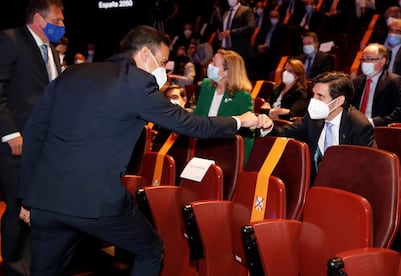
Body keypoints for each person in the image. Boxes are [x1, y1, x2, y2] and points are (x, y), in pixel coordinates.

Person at [17, 25, 258, 275]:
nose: (164, 70)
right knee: (151, 250)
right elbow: (190, 124)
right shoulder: (137, 83)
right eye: (163, 61)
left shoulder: (72, 74)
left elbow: (35, 133)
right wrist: (240, 121)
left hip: (46, 200)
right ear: (145, 54)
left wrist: (26, 197)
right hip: (95, 202)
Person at [0, 0, 64, 274]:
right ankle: (13, 264)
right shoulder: (10, 39)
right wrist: (10, 132)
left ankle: (32, 262)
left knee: (36, 206)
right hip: (16, 144)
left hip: (44, 145)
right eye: (58, 20)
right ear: (40, 19)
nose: (62, 26)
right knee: (17, 206)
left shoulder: (52, 51)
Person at [257, 71, 376, 181]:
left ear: (339, 101)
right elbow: (284, 133)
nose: (313, 100)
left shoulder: (359, 125)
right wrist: (268, 127)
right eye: (313, 95)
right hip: (313, 183)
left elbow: (364, 171)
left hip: (345, 185)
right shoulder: (314, 117)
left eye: (320, 96)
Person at [193, 49, 254, 166]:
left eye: (214, 64)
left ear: (226, 71)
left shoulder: (242, 96)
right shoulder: (206, 86)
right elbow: (197, 115)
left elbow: (247, 135)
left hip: (226, 155)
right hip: (201, 148)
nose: (209, 66)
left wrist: (242, 165)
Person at [352, 43, 401, 126]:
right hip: (356, 127)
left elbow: (400, 112)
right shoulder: (357, 81)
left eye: (369, 59)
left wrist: (372, 122)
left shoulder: (393, 82)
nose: (365, 63)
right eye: (363, 59)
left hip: (379, 128)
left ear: (382, 61)